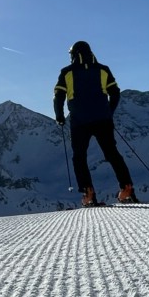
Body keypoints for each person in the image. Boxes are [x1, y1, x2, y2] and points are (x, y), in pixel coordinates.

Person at [54, 41, 138, 205]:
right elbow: (115, 93)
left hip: (79, 122)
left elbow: (58, 96)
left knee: (79, 157)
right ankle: (126, 189)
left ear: (73, 55)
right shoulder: (103, 70)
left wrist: (60, 117)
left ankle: (88, 194)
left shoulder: (66, 72)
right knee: (112, 153)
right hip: (103, 120)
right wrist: (109, 112)